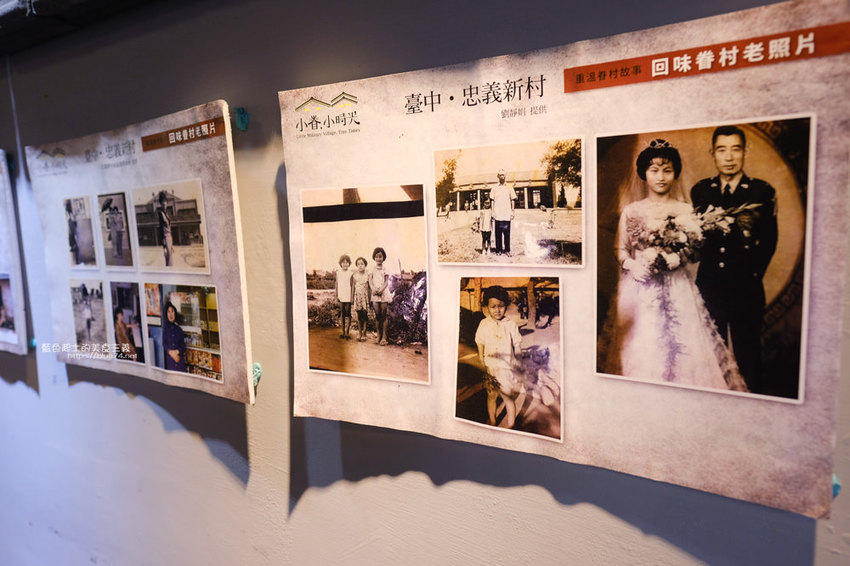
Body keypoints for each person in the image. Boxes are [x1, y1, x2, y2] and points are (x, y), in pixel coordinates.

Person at [600, 139, 747, 391]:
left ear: (675, 173)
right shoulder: (631, 211)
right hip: (640, 288)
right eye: (654, 170)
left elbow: (695, 251)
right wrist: (632, 265)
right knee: (642, 344)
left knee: (687, 346)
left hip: (678, 286)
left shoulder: (686, 210)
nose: (661, 177)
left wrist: (677, 257)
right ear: (644, 173)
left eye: (667, 170)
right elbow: (620, 248)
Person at [691, 126, 777, 393]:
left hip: (746, 289)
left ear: (744, 152)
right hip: (709, 287)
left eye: (735, 149)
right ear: (713, 154)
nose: (729, 157)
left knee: (748, 359)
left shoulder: (761, 191)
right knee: (711, 359)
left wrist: (749, 277)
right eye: (722, 150)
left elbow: (769, 242)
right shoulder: (701, 191)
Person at [475, 285, 523, 428]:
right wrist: (481, 359)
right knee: (491, 396)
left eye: (501, 306)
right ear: (487, 307)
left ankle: (511, 425)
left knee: (508, 397)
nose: (497, 310)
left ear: (506, 306)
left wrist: (518, 362)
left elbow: (517, 344)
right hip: (490, 367)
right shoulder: (484, 324)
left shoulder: (511, 325)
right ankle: (493, 421)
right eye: (493, 307)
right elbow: (480, 341)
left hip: (506, 368)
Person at [490, 169, 517, 255]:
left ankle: (507, 250)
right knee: (498, 234)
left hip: (507, 214)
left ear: (505, 176)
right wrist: (492, 212)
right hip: (497, 214)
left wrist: (513, 211)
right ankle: (498, 250)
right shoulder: (494, 187)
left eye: (503, 175)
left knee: (507, 233)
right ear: (498, 176)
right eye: (500, 175)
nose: (502, 176)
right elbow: (492, 200)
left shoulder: (509, 186)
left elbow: (512, 199)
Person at [369, 247, 392, 345]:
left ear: (383, 258)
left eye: (380, 256)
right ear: (374, 258)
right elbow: (370, 280)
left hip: (383, 293)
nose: (378, 259)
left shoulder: (385, 269)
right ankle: (378, 335)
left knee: (384, 315)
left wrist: (382, 289)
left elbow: (386, 281)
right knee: (377, 315)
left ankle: (384, 337)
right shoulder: (372, 269)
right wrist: (373, 289)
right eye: (377, 257)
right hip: (375, 294)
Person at [162, 301, 187, 372]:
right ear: (166, 314)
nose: (171, 314)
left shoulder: (179, 329)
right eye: (168, 312)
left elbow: (183, 346)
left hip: (179, 362)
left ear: (175, 313)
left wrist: (177, 351)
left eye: (172, 311)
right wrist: (170, 352)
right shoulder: (165, 328)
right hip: (170, 363)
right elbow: (164, 344)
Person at [351, 257, 371, 342]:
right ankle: (359, 333)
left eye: (362, 264)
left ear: (365, 265)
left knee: (365, 315)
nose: (360, 266)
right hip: (358, 298)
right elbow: (353, 287)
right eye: (358, 264)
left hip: (365, 298)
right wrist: (352, 298)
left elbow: (369, 288)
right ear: (356, 266)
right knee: (359, 316)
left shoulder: (367, 276)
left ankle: (364, 333)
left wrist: (370, 299)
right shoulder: (355, 276)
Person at [335, 254, 353, 339]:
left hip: (348, 295)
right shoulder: (338, 273)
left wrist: (352, 297)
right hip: (341, 295)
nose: (345, 264)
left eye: (347, 262)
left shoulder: (351, 273)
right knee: (342, 313)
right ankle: (342, 331)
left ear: (349, 263)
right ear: (340, 263)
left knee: (348, 313)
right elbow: (337, 284)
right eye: (343, 262)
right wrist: (336, 295)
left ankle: (347, 332)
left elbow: (352, 285)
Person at [156, 191, 173, 267]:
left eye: (165, 201)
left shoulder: (167, 213)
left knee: (170, 259)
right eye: (162, 202)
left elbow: (169, 227)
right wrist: (164, 247)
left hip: (170, 237)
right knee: (169, 261)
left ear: (167, 202)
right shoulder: (160, 213)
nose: (164, 203)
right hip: (165, 237)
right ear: (160, 203)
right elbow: (161, 229)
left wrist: (172, 245)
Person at [66, 200, 80, 265]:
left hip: (72, 233)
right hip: (72, 234)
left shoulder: (70, 217)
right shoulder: (70, 217)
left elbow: (73, 226)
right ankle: (76, 262)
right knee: (75, 248)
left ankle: (76, 261)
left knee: (75, 248)